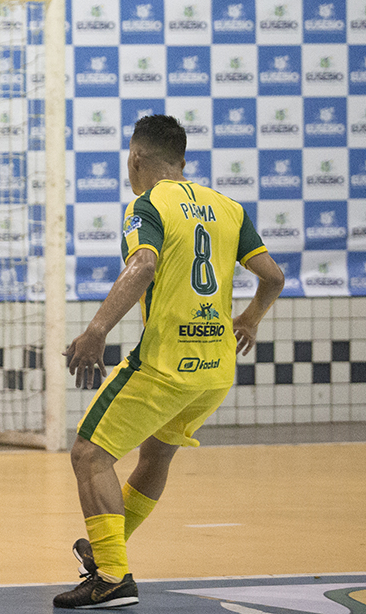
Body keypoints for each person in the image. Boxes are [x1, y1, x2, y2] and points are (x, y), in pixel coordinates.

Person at [54, 115, 285, 609]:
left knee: (88, 454)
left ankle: (113, 576)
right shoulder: (228, 207)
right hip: (216, 369)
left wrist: (95, 331)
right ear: (181, 161)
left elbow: (143, 265)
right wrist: (249, 319)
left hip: (165, 364)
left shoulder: (148, 204)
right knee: (156, 456)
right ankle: (102, 552)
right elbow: (274, 276)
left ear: (136, 158)